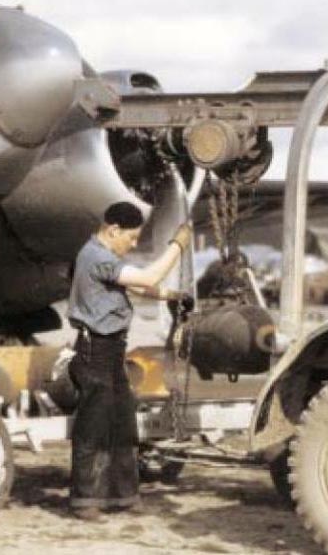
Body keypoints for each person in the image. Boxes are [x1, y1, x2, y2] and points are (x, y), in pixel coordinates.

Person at [66, 201, 191, 520]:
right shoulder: (95, 256)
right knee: (93, 427)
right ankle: (85, 500)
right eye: (132, 238)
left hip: (110, 352)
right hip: (96, 352)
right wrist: (178, 244)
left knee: (123, 423)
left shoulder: (100, 256)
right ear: (113, 230)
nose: (134, 244)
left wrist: (171, 297)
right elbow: (148, 276)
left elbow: (138, 285)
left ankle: (123, 495)